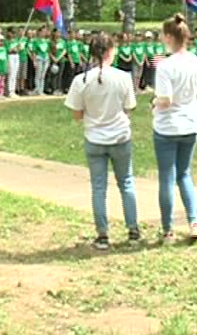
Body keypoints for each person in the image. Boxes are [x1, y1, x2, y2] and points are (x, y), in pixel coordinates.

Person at [64, 33, 139, 250]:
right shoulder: (123, 77)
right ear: (109, 51)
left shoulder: (81, 80)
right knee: (126, 183)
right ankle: (133, 230)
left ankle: (103, 234)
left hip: (95, 138)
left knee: (99, 187)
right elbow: (129, 107)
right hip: (120, 137)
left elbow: (77, 114)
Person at [151, 14, 197, 243]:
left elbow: (165, 99)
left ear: (169, 37)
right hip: (190, 124)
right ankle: (194, 221)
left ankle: (168, 230)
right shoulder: (194, 60)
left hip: (168, 126)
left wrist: (154, 101)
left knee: (167, 177)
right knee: (184, 174)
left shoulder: (165, 65)